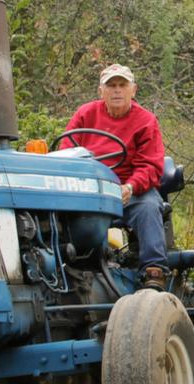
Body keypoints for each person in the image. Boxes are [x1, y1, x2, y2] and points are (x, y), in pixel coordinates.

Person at [62, 63, 167, 290]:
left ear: (133, 90)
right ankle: (67, 266)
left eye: (122, 85)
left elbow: (150, 165)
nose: (117, 90)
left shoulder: (146, 121)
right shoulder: (85, 114)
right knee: (59, 212)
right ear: (101, 91)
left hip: (130, 190)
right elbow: (66, 151)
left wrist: (131, 186)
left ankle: (153, 270)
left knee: (148, 206)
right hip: (92, 189)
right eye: (111, 86)